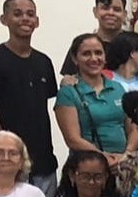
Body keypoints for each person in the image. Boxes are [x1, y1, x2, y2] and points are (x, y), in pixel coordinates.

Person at [0, 0, 59, 197]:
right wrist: (6, 153)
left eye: (30, 14)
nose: (25, 19)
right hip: (7, 164)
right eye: (18, 13)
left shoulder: (44, 62)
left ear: (37, 21)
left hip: (43, 162)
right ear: (4, 19)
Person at [55, 33, 131, 164]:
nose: (94, 58)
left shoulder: (118, 88)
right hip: (89, 165)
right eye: (86, 54)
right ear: (75, 59)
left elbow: (133, 128)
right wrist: (104, 158)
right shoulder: (68, 92)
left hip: (122, 164)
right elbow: (72, 139)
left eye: (98, 53)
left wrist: (126, 155)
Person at [59, 0, 127, 77]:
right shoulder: (83, 45)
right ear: (95, 12)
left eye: (117, 9)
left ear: (124, 14)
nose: (111, 13)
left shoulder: (135, 46)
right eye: (105, 8)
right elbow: (68, 79)